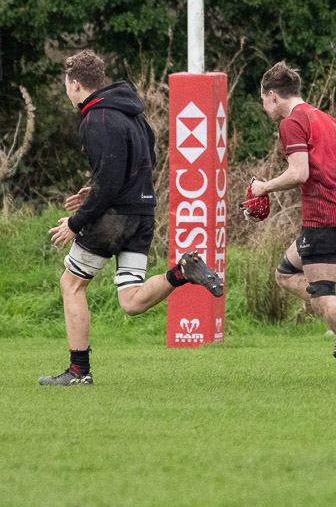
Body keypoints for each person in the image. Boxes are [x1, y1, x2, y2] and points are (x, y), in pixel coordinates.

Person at [40, 50, 223, 386]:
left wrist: (75, 222)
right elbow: (140, 161)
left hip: (114, 217)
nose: (67, 90)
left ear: (76, 83)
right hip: (142, 213)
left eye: (66, 84)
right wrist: (94, 188)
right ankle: (182, 272)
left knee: (71, 284)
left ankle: (79, 372)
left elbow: (109, 183)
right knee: (132, 301)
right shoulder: (133, 115)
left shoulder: (96, 120)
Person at [251, 62, 336, 377]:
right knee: (285, 274)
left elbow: (300, 173)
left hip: (323, 216)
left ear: (272, 95)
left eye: (262, 100)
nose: (263, 107)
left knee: (322, 298)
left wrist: (264, 187)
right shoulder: (324, 118)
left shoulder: (291, 123)